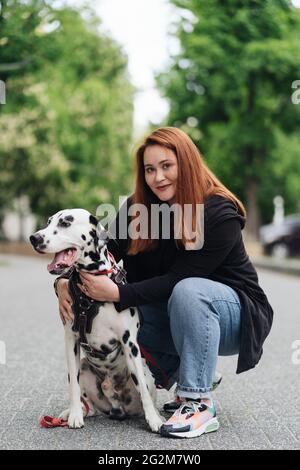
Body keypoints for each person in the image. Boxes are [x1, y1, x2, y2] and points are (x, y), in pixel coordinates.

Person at [55, 127, 273, 439]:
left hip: (235, 317)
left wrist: (118, 292)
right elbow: (103, 251)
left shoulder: (217, 212)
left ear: (186, 163)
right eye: (150, 169)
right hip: (178, 312)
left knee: (187, 290)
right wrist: (64, 281)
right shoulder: (138, 209)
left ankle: (199, 402)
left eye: (167, 166)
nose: (158, 177)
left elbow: (179, 279)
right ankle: (190, 375)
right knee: (127, 313)